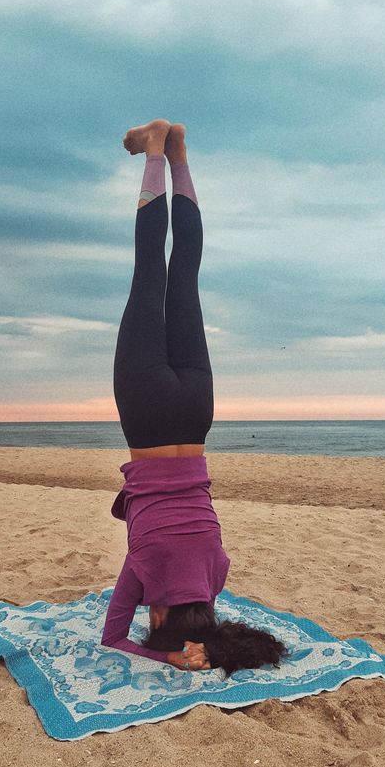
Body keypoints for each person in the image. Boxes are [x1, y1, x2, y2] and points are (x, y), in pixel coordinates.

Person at [101, 119, 287, 676]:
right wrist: (168, 656)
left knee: (185, 276)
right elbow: (114, 637)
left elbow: (197, 591)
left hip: (197, 412)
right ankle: (155, 150)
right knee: (149, 273)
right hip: (149, 416)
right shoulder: (144, 572)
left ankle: (179, 153)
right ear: (158, 620)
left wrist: (199, 642)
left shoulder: (215, 574)